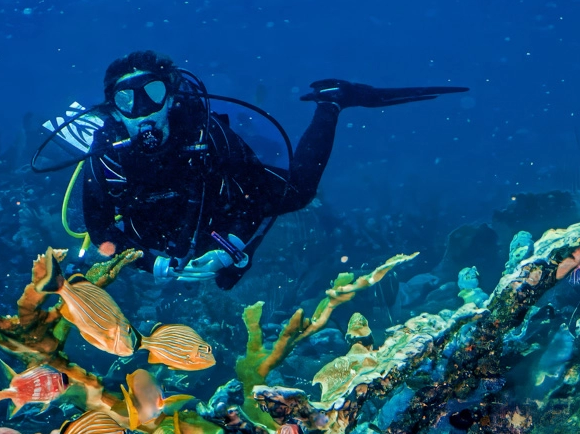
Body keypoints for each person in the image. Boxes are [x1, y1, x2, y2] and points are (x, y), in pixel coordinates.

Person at [77, 50, 466, 289]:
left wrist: (229, 249)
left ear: (172, 96)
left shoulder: (203, 130)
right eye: (128, 100)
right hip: (161, 228)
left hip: (221, 205)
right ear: (113, 110)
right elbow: (101, 232)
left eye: (154, 94)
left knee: (298, 193)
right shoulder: (106, 157)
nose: (144, 109)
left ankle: (332, 102)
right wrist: (151, 264)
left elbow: (251, 198)